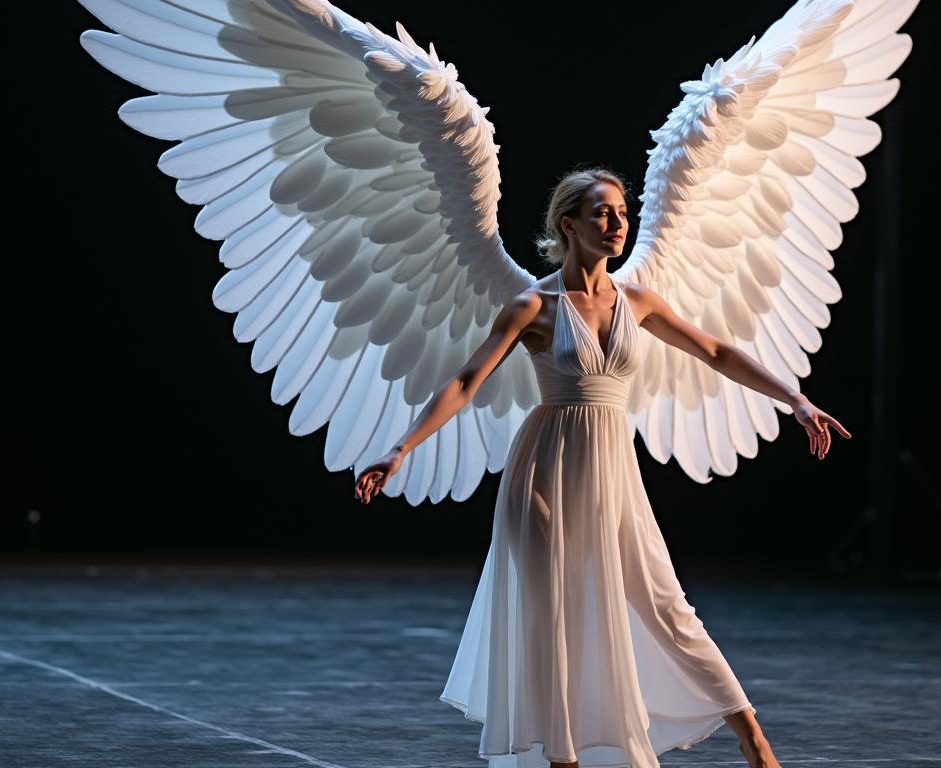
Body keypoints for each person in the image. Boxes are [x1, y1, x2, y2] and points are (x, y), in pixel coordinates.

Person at [355, 167, 850, 768]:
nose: (617, 224)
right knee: (553, 620)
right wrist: (401, 448)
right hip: (544, 470)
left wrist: (794, 400)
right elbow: (466, 379)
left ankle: (753, 737)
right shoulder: (533, 304)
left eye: (620, 212)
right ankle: (563, 757)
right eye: (602, 213)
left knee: (665, 603)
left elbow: (716, 351)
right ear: (569, 224)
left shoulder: (635, 302)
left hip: (613, 470)